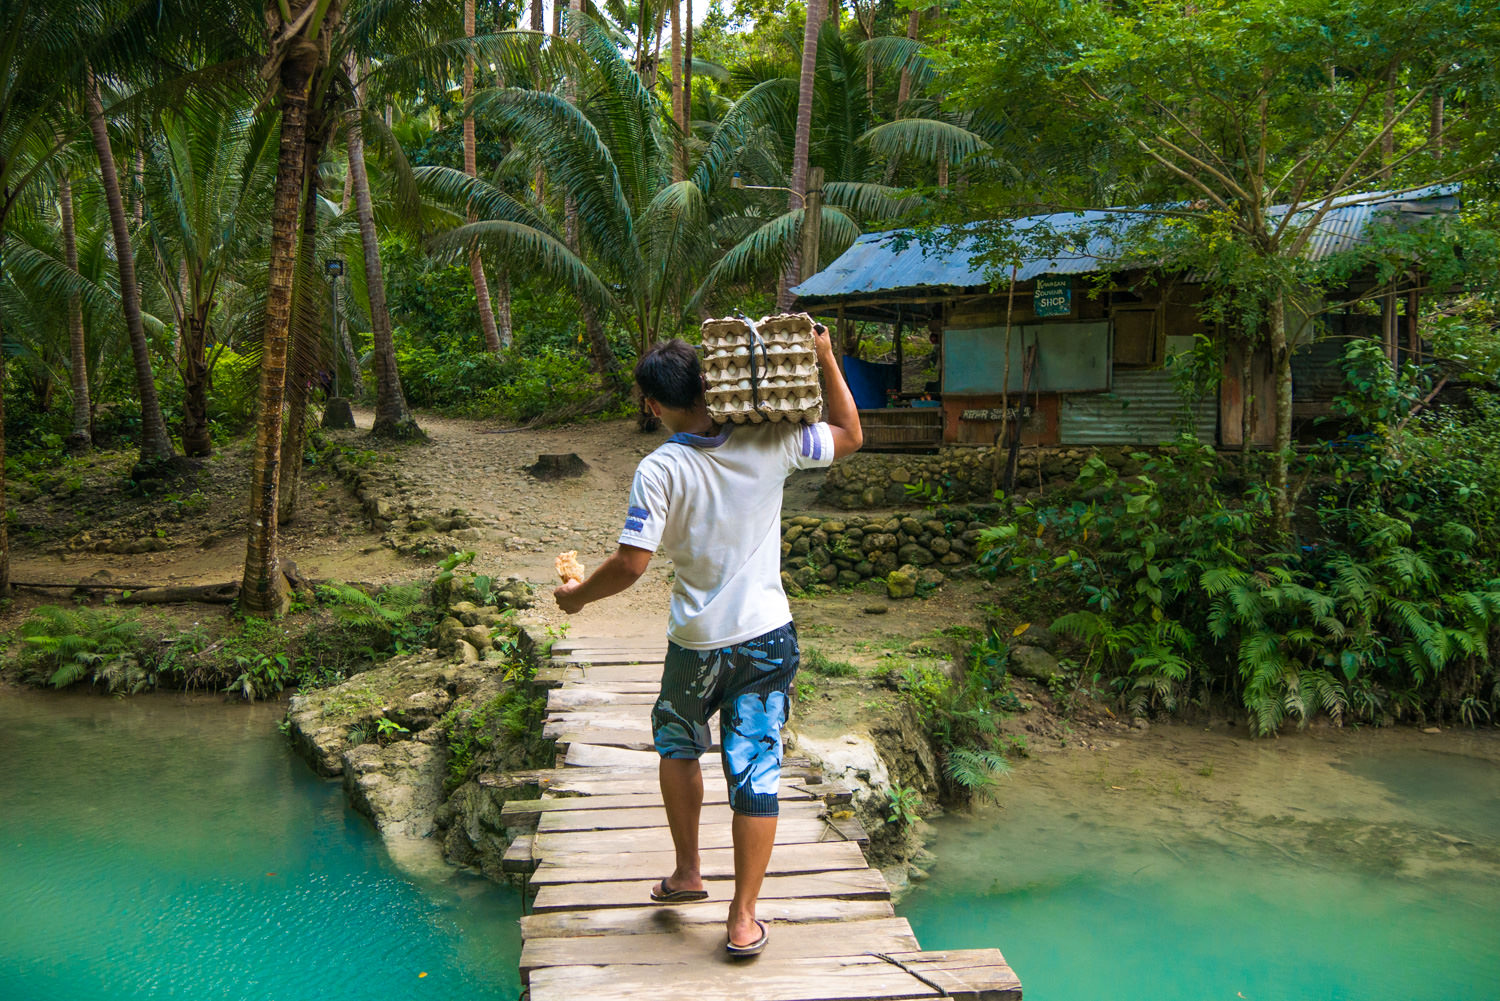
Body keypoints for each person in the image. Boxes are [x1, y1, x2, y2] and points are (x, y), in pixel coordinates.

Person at [554, 321, 862, 957]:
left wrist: (577, 596)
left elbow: (632, 564)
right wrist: (827, 358)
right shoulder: (770, 438)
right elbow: (852, 436)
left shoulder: (661, 467)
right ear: (709, 381)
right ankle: (743, 918)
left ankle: (688, 872)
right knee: (756, 768)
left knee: (676, 740)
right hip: (768, 639)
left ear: (654, 403)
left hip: (697, 645)